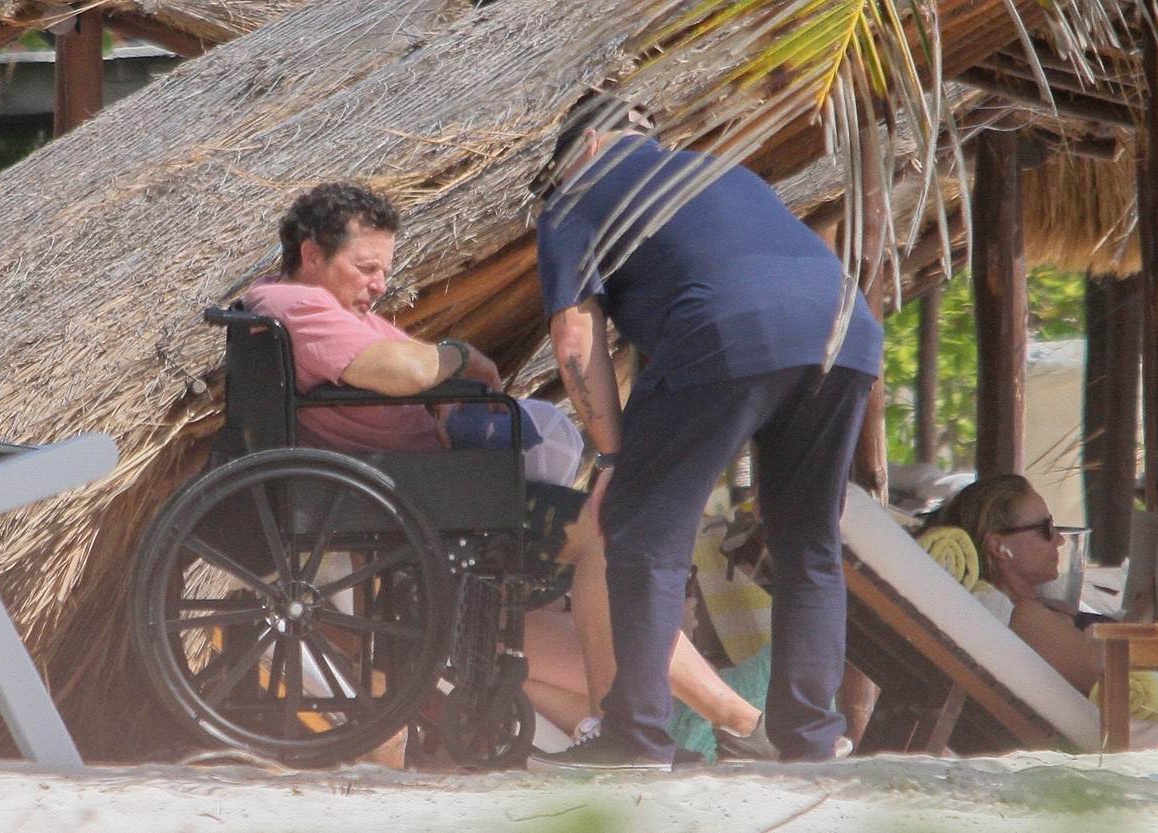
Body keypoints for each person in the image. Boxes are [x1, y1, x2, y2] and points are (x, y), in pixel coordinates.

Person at [245, 181, 770, 760]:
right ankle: (678, 725)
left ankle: (711, 723)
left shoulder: (330, 310)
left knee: (545, 612)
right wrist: (459, 355)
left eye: (384, 270)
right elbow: (407, 370)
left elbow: (407, 368)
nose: (380, 284)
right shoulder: (299, 307)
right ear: (312, 254)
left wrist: (445, 388)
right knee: (610, 534)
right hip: (420, 499)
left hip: (419, 490)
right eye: (366, 267)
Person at [529, 94, 883, 770]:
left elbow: (575, 336)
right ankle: (809, 741)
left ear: (590, 145)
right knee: (808, 544)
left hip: (726, 332)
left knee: (642, 533)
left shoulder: (574, 199)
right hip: (848, 333)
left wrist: (613, 459)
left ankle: (636, 737)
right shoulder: (726, 173)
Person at [935, 474, 1101, 693]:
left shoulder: (1027, 609)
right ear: (999, 546)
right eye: (1045, 529)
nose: (1060, 540)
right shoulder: (1024, 617)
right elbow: (1118, 682)